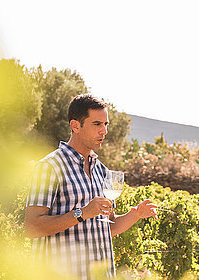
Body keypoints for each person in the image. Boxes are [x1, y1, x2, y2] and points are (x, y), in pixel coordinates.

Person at [24, 94, 158, 279]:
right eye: (97, 124)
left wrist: (135, 214)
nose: (104, 131)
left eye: (106, 124)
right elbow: (32, 227)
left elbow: (105, 228)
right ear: (75, 126)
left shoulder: (101, 171)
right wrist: (82, 213)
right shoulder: (50, 167)